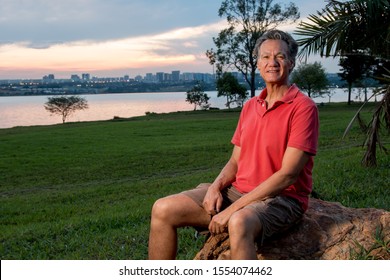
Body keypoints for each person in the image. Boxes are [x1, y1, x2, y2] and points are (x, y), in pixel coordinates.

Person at [148, 29, 319, 260]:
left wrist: (231, 211)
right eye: (266, 57)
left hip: (282, 199)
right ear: (258, 63)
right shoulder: (250, 106)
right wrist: (214, 187)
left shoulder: (303, 108)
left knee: (238, 222)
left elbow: (287, 175)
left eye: (279, 56)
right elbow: (236, 161)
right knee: (162, 209)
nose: (272, 63)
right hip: (238, 192)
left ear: (291, 62)